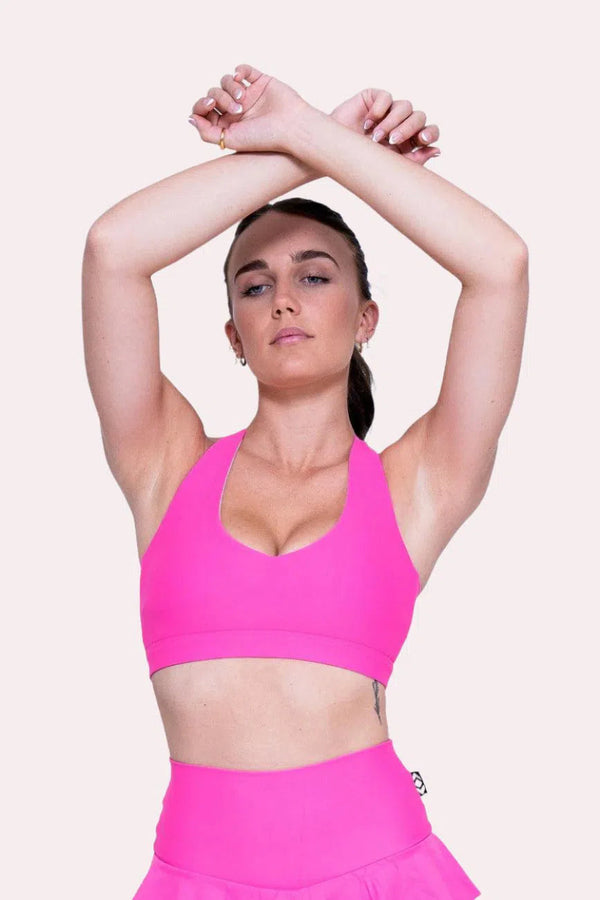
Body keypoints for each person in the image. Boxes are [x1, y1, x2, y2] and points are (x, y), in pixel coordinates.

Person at [82, 63, 528, 898]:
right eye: (255, 286)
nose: (283, 300)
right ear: (234, 334)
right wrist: (303, 143)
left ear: (365, 319)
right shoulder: (164, 464)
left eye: (315, 276)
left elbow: (499, 265)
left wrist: (317, 136)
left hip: (383, 875)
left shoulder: (416, 485)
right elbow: (114, 251)